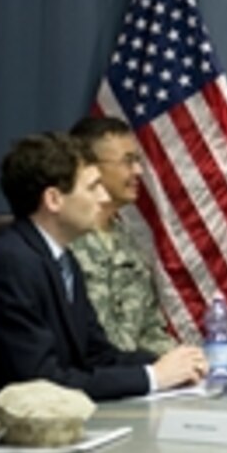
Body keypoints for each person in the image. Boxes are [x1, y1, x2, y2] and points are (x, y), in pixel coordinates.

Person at [0, 133, 206, 404]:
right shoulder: (11, 263)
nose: (103, 198)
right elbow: (41, 381)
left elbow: (97, 355)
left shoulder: (64, 261)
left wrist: (173, 363)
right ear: (54, 199)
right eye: (93, 188)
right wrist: (153, 377)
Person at [68, 116, 175, 355]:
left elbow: (150, 330)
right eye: (128, 162)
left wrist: (190, 362)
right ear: (89, 167)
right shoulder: (64, 241)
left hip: (137, 383)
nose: (138, 170)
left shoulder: (126, 239)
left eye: (137, 160)